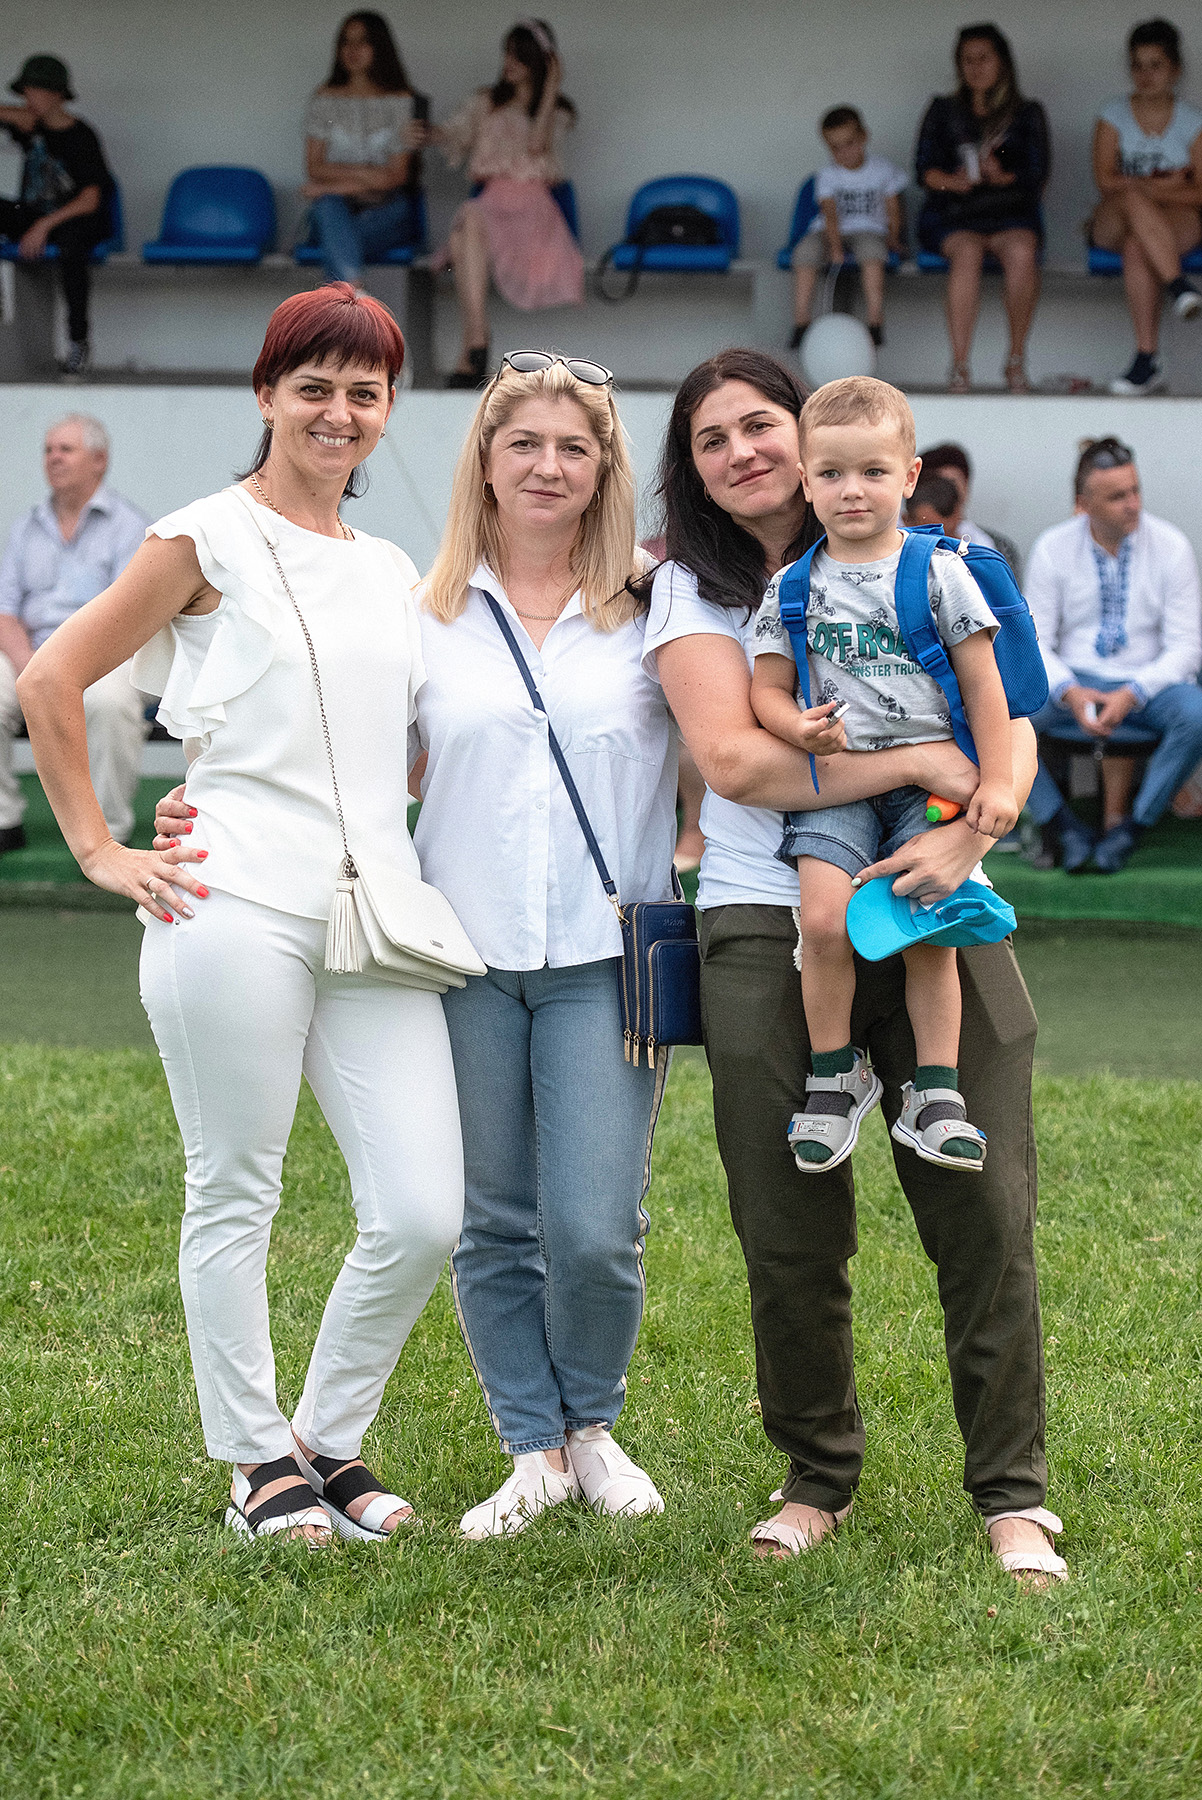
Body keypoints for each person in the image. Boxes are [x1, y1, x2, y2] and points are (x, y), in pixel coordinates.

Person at [19, 285, 465, 1545]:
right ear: (266, 394)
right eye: (313, 386)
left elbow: (402, 742)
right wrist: (99, 846)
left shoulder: (390, 568)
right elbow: (52, 677)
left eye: (364, 392)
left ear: (388, 410)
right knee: (235, 1192)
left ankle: (325, 1438)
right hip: (227, 900)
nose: (338, 412)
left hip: (374, 913)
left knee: (423, 1212)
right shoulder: (200, 537)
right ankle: (254, 1458)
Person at [638, 347, 1067, 1583]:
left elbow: (1008, 730)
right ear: (691, 468)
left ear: (823, 436)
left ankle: (1011, 1494)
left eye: (757, 425)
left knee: (983, 1210)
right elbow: (739, 764)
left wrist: (967, 831)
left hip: (932, 894)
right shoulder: (696, 593)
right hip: (765, 917)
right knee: (787, 1226)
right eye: (710, 439)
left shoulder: (945, 565)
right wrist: (919, 766)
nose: (742, 453)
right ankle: (815, 1476)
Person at [414, 352, 675, 1536]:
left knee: (592, 1229)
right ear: (485, 458)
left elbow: (727, 746)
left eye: (574, 447)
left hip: (603, 962)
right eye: (523, 443)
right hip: (458, 959)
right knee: (493, 1221)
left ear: (603, 470)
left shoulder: (654, 610)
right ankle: (532, 1447)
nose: (548, 465)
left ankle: (592, 1427)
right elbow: (355, 769)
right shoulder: (423, 616)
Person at [749, 377, 1014, 1176]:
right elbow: (766, 686)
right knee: (823, 921)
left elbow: (985, 686)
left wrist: (999, 784)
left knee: (927, 932)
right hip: (841, 781)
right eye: (831, 473)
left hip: (932, 787)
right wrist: (794, 726)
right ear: (805, 480)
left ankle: (936, 1094)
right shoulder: (793, 585)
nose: (852, 490)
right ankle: (836, 1075)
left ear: (909, 474)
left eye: (872, 471)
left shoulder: (939, 572)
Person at [1024, 435, 1202, 873]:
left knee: (1196, 715)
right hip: (1070, 681)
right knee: (995, 714)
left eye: (1135, 490)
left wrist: (1133, 692)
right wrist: (1069, 691)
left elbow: (1187, 647)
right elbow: (1033, 640)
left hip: (1148, 684)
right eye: (1118, 496)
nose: (1133, 504)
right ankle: (1060, 824)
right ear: (1084, 504)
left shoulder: (1172, 546)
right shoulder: (1052, 547)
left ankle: (1131, 828)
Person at [0, 414, 147, 854]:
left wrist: (68, 667)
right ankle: (4, 820)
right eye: (48, 450)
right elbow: (5, 611)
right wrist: (29, 664)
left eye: (66, 449)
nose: (53, 458)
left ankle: (107, 834)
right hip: (32, 653)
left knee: (109, 703)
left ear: (99, 461)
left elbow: (131, 616)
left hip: (105, 658)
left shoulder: (130, 527)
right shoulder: (26, 528)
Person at [423, 21, 584, 387]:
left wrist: (551, 88)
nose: (510, 62)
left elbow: (538, 146)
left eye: (520, 55)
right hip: (491, 202)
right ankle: (477, 336)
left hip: (533, 209)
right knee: (469, 217)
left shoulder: (558, 111)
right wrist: (431, 134)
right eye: (507, 53)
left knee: (465, 228)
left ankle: (472, 349)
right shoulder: (486, 102)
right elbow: (455, 134)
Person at [915, 24, 1050, 394]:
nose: (975, 67)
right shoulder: (943, 111)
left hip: (1009, 212)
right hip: (955, 214)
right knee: (968, 253)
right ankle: (960, 366)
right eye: (967, 59)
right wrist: (953, 181)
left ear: (1002, 62)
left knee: (1022, 252)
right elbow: (924, 172)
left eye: (984, 58)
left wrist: (1003, 175)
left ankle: (1016, 361)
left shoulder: (1025, 114)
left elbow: (1037, 174)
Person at [1090, 18, 1202, 397]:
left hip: (1171, 221)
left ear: (1175, 69)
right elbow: (1106, 182)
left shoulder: (1193, 122)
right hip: (1115, 218)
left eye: (1156, 65)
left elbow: (1201, 192)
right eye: (1138, 65)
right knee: (1132, 201)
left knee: (1139, 244)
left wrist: (1146, 187)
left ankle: (1146, 359)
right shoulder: (1113, 115)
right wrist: (1167, 184)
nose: (1146, 75)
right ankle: (1177, 284)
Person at [0, 55, 117, 376]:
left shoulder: (81, 136)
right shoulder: (30, 127)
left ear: (56, 94)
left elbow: (90, 200)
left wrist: (43, 225)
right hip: (35, 214)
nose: (28, 98)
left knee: (71, 247)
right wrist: (19, 115)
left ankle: (78, 340)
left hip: (74, 219)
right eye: (25, 92)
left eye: (35, 91)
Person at [302, 11, 427, 286]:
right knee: (328, 209)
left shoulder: (401, 99)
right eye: (346, 42)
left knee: (336, 234)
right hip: (337, 211)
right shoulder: (324, 98)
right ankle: (356, 294)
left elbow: (396, 176)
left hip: (386, 212)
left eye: (362, 42)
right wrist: (370, 176)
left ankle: (348, 299)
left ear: (379, 47)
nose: (352, 50)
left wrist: (335, 184)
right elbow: (315, 168)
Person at [790, 106, 906, 351]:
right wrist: (835, 247)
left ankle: (875, 320)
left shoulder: (883, 170)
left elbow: (894, 209)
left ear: (863, 136)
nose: (844, 152)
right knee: (804, 252)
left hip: (869, 230)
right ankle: (801, 321)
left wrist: (894, 237)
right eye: (835, 147)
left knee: (872, 252)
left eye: (849, 143)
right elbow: (830, 214)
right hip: (828, 231)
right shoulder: (827, 175)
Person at [917, 440, 1022, 577]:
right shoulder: (894, 540)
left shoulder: (999, 547)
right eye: (937, 484)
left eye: (952, 483)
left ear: (966, 486)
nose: (945, 492)